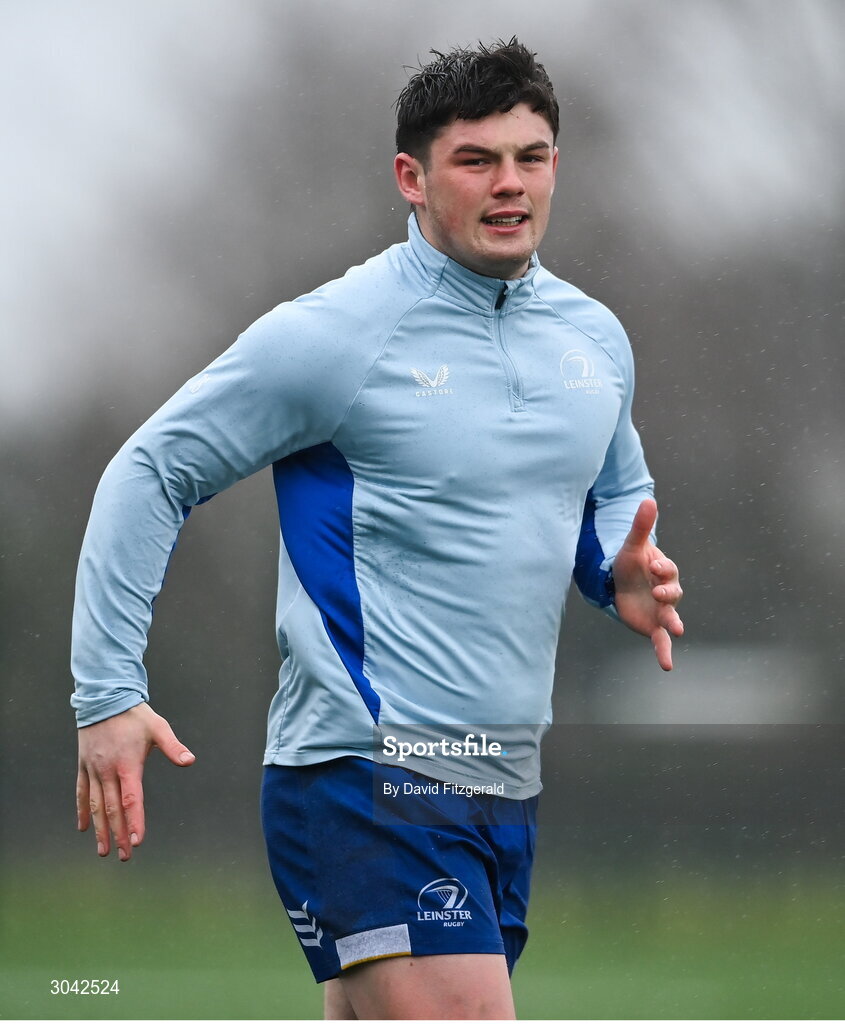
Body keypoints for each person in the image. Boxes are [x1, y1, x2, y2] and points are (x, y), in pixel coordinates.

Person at [72, 38, 683, 1019]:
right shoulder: (337, 335)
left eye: (529, 158)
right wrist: (107, 692)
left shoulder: (592, 338)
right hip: (366, 771)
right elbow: (151, 469)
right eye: (475, 160)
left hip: (503, 774)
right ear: (411, 176)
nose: (509, 184)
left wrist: (615, 565)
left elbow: (614, 492)